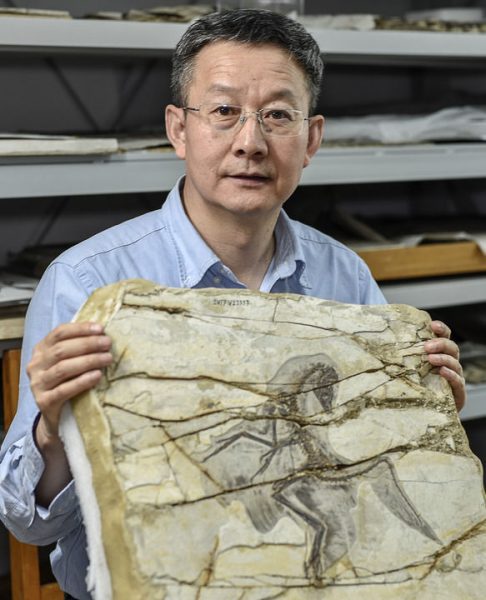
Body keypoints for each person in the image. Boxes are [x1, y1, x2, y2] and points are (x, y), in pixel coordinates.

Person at [0, 9, 465, 600]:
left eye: (277, 115)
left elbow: (368, 483)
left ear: (311, 138)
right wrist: (51, 430)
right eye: (223, 111)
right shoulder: (86, 282)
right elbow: (28, 524)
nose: (250, 142)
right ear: (178, 129)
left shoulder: (344, 275)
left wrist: (421, 420)